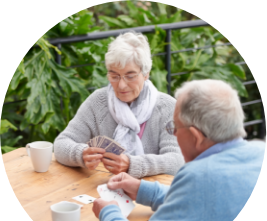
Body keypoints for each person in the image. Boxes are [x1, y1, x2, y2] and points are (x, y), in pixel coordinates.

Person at [92, 79, 265, 221]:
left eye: (174, 128)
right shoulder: (259, 151)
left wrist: (109, 213)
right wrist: (144, 190)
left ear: (196, 137)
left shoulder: (200, 175)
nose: (173, 134)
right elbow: (204, 203)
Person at [53, 32, 184, 178]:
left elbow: (177, 160)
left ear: (146, 74)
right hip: (105, 189)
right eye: (114, 76)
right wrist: (81, 154)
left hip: (153, 193)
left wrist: (133, 164)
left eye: (130, 76)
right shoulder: (98, 101)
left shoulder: (168, 107)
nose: (121, 85)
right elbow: (61, 143)